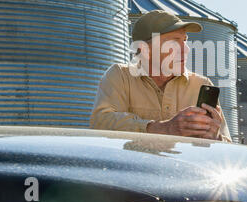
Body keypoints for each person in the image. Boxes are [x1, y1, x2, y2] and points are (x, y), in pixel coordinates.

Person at [90, 10, 232, 142]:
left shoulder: (201, 85)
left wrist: (215, 137)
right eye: (174, 41)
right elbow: (101, 122)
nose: (186, 49)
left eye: (184, 40)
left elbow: (227, 148)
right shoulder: (120, 76)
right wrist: (164, 128)